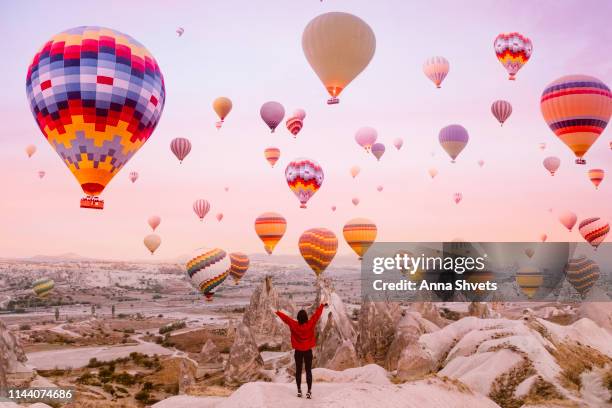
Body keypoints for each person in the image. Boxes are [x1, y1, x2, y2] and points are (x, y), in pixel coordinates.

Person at [274, 301, 327, 399]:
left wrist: (277, 312)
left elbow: (286, 319)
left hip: (298, 351)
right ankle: (309, 392)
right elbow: (316, 315)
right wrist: (322, 305)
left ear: (298, 318)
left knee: (298, 371)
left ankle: (299, 391)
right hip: (308, 351)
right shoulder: (310, 324)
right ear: (306, 317)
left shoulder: (294, 325)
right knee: (308, 371)